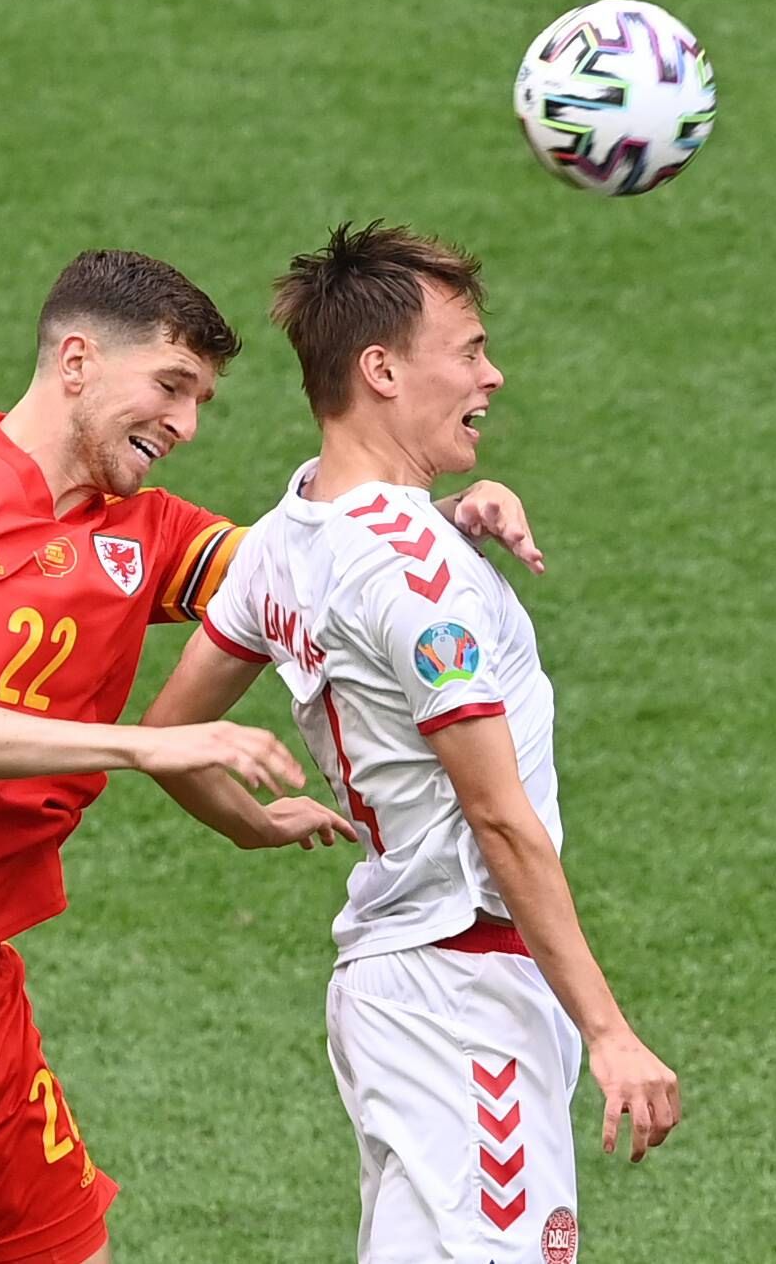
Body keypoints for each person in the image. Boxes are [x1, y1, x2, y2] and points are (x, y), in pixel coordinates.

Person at [0, 247, 543, 1264]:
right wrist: (155, 743)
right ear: (75, 360)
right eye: (168, 386)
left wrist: (448, 521)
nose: (185, 424)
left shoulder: (146, 532)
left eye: (200, 398)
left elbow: (340, 568)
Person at [140, 223, 681, 1263]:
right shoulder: (412, 577)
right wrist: (609, 1030)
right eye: (470, 349)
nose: (493, 373)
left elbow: (170, 734)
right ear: (381, 369)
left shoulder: (285, 536)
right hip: (465, 992)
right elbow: (497, 813)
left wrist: (250, 825)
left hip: (391, 991)